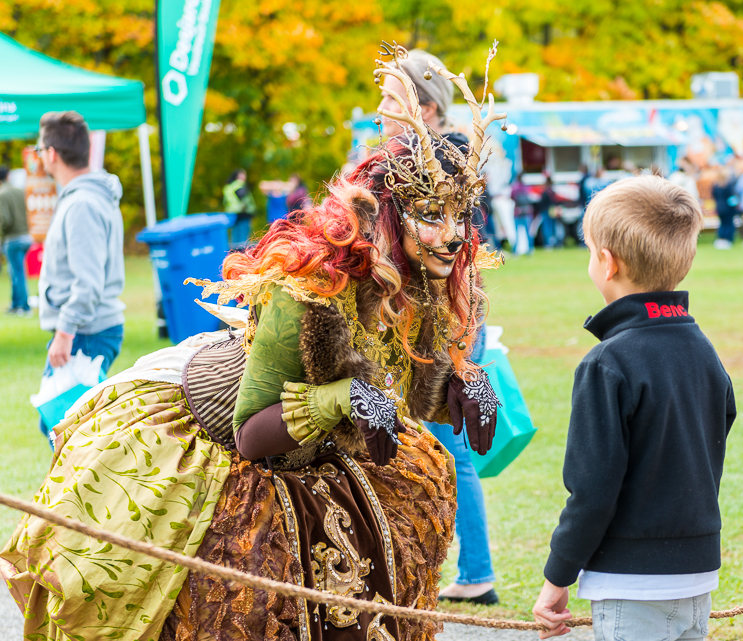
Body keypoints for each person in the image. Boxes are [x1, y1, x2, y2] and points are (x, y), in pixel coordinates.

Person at [2, 43, 503, 641]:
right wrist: (345, 399)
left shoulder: (428, 283)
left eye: (460, 216)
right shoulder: (313, 293)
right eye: (430, 214)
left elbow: (413, 393)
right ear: (387, 218)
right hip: (221, 441)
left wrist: (466, 382)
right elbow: (250, 434)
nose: (452, 237)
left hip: (318, 452)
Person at [532, 176, 737, 640]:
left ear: (606, 262)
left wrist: (557, 578)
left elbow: (592, 490)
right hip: (696, 573)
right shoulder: (703, 349)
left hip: (632, 585)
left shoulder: (608, 363)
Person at [377, 46, 500, 604]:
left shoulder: (441, 161)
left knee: (453, 447)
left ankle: (474, 571)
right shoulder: (412, 156)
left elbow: (459, 256)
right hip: (420, 324)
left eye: (390, 98)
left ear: (422, 106)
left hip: (436, 326)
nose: (379, 109)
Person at [34, 111, 125, 440]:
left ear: (52, 153)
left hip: (86, 330)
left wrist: (65, 331)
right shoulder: (88, 196)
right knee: (66, 426)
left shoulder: (82, 204)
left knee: (66, 429)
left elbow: (87, 282)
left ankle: (80, 493)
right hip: (89, 327)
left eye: (39, 150)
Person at [0, 164, 32, 315]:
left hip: (12, 238)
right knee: (16, 271)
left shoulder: (2, 194)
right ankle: (16, 304)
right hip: (27, 236)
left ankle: (23, 306)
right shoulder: (20, 191)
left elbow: (3, 219)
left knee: (17, 273)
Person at [222, 168, 257, 248]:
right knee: (243, 240)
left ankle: (234, 256)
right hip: (243, 213)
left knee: (235, 239)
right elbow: (243, 197)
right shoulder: (239, 184)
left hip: (233, 215)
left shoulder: (229, 186)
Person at [711, 165, 738, 249]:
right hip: (728, 207)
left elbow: (714, 195)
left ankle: (722, 238)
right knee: (729, 223)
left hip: (719, 207)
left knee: (722, 223)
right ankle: (728, 239)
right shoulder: (728, 185)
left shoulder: (716, 185)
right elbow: (731, 197)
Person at [510, 171, 535, 255]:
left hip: (517, 212)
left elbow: (512, 197)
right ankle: (530, 250)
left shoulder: (515, 187)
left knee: (516, 233)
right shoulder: (527, 187)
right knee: (528, 232)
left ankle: (515, 251)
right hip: (527, 212)